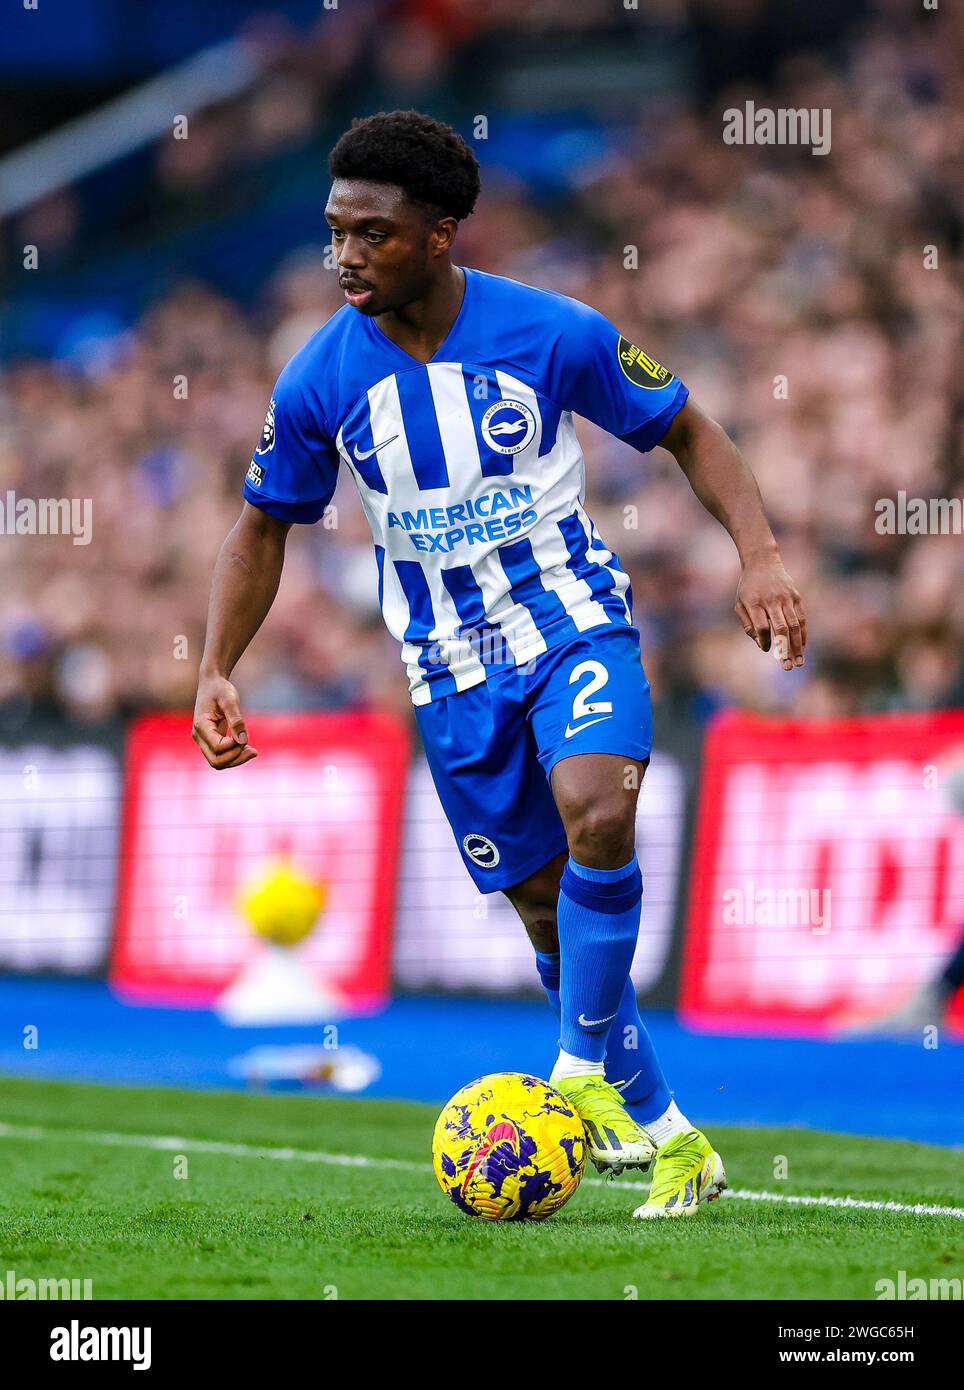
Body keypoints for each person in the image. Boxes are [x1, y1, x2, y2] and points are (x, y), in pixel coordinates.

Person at [192, 110, 807, 1219]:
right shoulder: (317, 380)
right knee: (539, 909)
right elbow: (262, 526)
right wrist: (216, 666)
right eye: (334, 232)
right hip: (446, 668)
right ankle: (666, 1135)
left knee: (599, 817)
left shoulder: (555, 332)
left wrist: (757, 556)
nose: (344, 256)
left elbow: (690, 431)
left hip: (571, 619)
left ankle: (572, 1080)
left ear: (439, 233)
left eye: (371, 234)